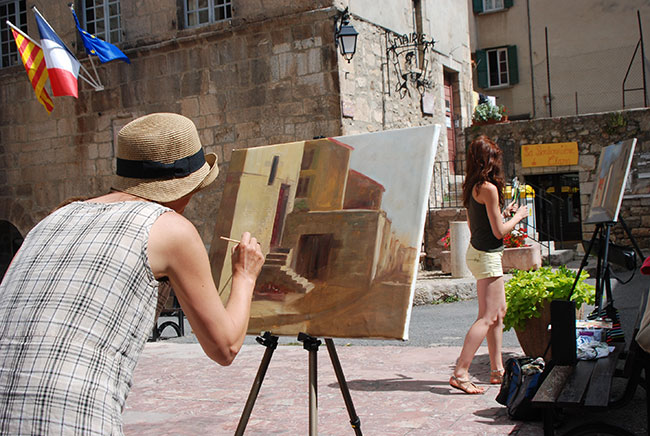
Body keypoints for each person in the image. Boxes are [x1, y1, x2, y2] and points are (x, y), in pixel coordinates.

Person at [0, 113, 265, 434]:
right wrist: (245, 275)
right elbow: (225, 347)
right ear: (186, 187)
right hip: (71, 418)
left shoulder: (53, 219)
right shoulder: (170, 228)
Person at [449, 135, 528, 395]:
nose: (497, 163)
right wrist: (517, 216)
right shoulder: (490, 188)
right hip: (487, 255)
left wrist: (502, 215)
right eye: (494, 158)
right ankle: (461, 372)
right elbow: (498, 233)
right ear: (487, 161)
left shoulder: (473, 186)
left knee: (498, 313)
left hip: (477, 253)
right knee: (488, 317)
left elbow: (478, 225)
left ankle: (497, 371)